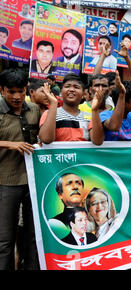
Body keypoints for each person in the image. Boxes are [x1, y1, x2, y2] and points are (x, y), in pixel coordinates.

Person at [0, 68, 40, 270]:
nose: (16, 97)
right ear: (2, 90)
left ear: (27, 90)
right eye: (11, 91)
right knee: (5, 238)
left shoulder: (34, 109)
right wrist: (9, 144)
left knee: (35, 235)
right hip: (6, 181)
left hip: (33, 182)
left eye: (21, 91)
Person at [39, 73, 90, 143]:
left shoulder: (90, 117)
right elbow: (46, 139)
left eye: (76, 87)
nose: (71, 89)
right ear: (61, 92)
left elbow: (98, 142)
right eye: (67, 86)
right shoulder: (48, 113)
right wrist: (53, 103)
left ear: (83, 95)